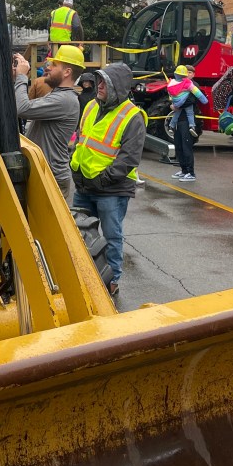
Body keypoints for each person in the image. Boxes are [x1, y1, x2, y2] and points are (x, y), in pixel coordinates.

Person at [70, 62, 146, 297]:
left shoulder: (133, 116)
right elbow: (82, 138)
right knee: (78, 235)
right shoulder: (92, 105)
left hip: (111, 190)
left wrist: (102, 180)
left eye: (104, 82)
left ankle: (111, 280)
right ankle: (85, 277)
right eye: (98, 80)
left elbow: (128, 159)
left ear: (118, 87)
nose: (98, 86)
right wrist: (76, 165)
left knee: (111, 236)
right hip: (84, 184)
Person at [14, 45, 86, 204]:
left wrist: (21, 77)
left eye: (54, 65)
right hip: (44, 174)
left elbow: (21, 108)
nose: (48, 68)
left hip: (51, 178)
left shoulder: (64, 100)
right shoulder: (57, 96)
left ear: (67, 72)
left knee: (45, 228)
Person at [166, 64, 207, 182]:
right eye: (186, 72)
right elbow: (173, 96)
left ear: (193, 74)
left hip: (187, 120)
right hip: (178, 119)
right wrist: (172, 104)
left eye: (190, 72)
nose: (187, 74)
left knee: (186, 146)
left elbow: (191, 100)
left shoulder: (193, 85)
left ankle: (191, 172)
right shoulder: (178, 84)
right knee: (178, 145)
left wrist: (176, 105)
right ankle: (183, 169)